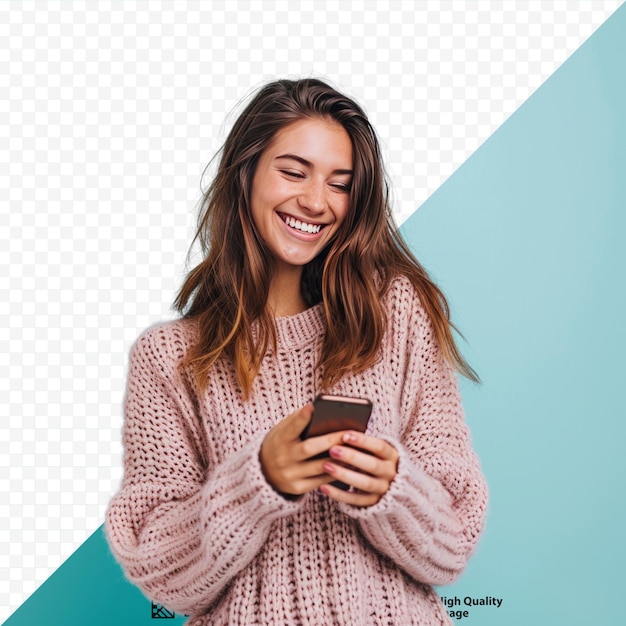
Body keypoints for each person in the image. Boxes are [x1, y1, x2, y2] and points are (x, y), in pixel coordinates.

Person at [105, 78, 488, 625]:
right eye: (293, 171)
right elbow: (160, 568)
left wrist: (394, 490)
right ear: (247, 174)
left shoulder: (395, 313)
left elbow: (452, 544)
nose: (315, 201)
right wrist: (259, 479)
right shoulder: (170, 358)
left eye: (340, 183)